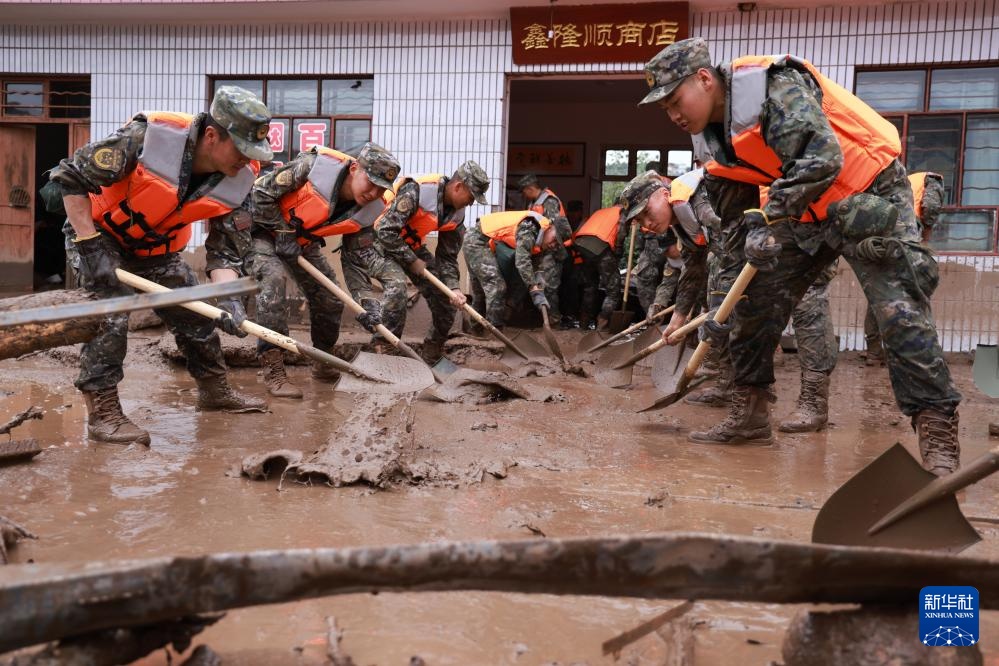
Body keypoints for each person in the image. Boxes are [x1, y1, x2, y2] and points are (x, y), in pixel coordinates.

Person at [641, 38, 960, 474]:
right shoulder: (711, 144)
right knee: (752, 299)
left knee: (898, 311)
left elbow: (821, 158)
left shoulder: (773, 87)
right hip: (807, 211)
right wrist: (722, 303)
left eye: (676, 100)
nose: (674, 114)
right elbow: (734, 226)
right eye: (665, 108)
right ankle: (750, 414)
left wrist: (767, 215)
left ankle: (937, 432)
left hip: (867, 191)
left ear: (704, 79)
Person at [48, 86, 274, 445]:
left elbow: (224, 249)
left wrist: (228, 297)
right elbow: (71, 177)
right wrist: (90, 246)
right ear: (212, 136)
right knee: (111, 311)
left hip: (157, 248)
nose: (246, 160)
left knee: (196, 315)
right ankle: (103, 412)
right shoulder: (147, 137)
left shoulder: (242, 179)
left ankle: (214, 390)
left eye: (254, 152)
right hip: (100, 235)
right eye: (242, 149)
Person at [247, 142, 401, 397]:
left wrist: (365, 301)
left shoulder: (368, 211)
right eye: (370, 182)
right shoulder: (311, 167)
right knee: (273, 282)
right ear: (354, 168)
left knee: (330, 300)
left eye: (380, 188)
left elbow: (355, 258)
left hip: (301, 243)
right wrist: (283, 232)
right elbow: (260, 192)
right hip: (263, 232)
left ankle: (323, 361)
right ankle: (273, 367)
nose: (373, 192)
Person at [343, 160, 489, 363]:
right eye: (472, 197)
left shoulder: (457, 215)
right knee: (397, 286)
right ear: (458, 187)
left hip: (408, 246)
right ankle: (383, 348)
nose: (471, 203)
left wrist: (453, 287)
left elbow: (447, 256)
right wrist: (412, 260)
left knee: (445, 299)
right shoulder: (417, 191)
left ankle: (432, 353)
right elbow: (385, 231)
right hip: (374, 242)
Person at [864, 171, 945, 365]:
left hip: (878, 234)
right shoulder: (934, 179)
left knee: (880, 291)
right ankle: (923, 350)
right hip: (904, 234)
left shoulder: (902, 180)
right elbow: (930, 207)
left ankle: (874, 352)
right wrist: (925, 235)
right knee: (916, 288)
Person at [463, 210, 562, 328]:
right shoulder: (531, 227)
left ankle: (476, 330)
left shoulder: (540, 237)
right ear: (550, 228)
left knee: (480, 291)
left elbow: (535, 267)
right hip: (477, 241)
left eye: (556, 244)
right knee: (497, 287)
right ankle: (494, 333)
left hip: (480, 241)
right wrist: (533, 287)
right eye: (554, 239)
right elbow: (522, 261)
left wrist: (538, 287)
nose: (553, 245)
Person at [518, 174, 570, 324]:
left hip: (552, 252)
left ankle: (554, 320)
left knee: (549, 287)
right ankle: (544, 319)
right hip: (541, 252)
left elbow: (555, 229)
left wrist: (550, 250)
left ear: (530, 188)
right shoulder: (535, 203)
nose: (523, 195)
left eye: (524, 191)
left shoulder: (549, 201)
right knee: (539, 285)